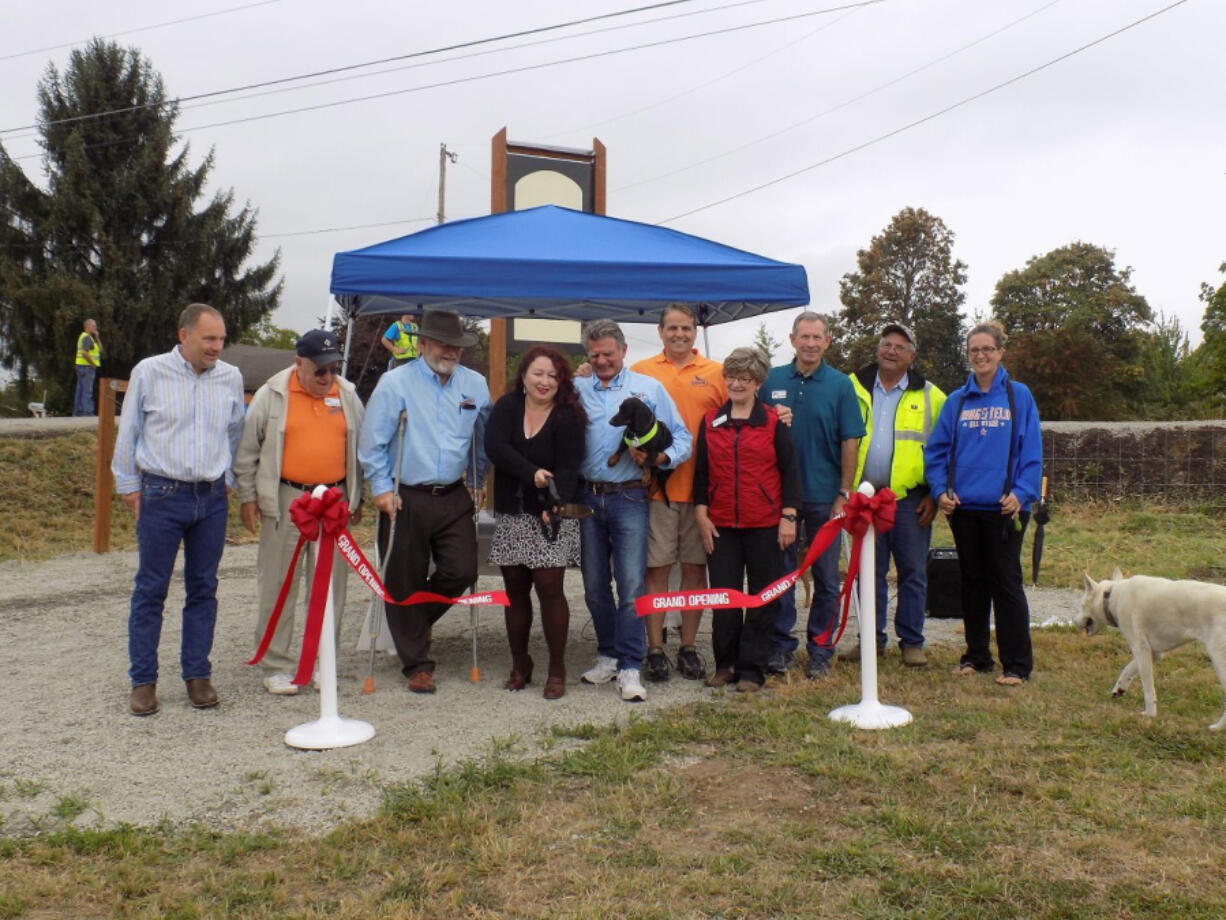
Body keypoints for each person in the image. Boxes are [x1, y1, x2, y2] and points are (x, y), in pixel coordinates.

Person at [112, 304, 245, 716]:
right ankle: (143, 681)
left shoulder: (231, 377)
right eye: (209, 339)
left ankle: (197, 674)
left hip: (211, 498)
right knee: (151, 588)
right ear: (183, 335)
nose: (217, 347)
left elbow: (236, 431)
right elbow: (129, 430)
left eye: (221, 339)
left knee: (204, 587)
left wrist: (230, 480)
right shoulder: (149, 372)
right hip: (162, 494)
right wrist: (129, 485)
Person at [358, 308, 490, 694]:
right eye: (444, 344)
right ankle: (416, 664)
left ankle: (412, 623)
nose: (451, 352)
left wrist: (479, 477)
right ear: (424, 344)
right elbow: (373, 443)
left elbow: (483, 435)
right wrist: (381, 489)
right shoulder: (394, 382)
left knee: (463, 569)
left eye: (457, 346)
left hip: (453, 493)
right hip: (405, 495)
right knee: (403, 578)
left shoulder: (475, 384)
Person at [233, 329, 365, 695]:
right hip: (287, 500)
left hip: (334, 501)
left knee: (331, 586)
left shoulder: (348, 395)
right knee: (278, 583)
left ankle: (326, 660)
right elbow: (247, 450)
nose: (326, 378)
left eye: (332, 370)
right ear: (299, 364)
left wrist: (358, 497)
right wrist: (247, 496)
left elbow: (360, 450)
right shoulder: (271, 394)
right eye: (318, 371)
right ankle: (277, 664)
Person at [575, 318, 691, 703]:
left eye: (609, 352)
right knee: (594, 587)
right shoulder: (575, 390)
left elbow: (684, 439)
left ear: (624, 350)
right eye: (595, 354)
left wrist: (659, 458)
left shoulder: (649, 388)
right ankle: (607, 654)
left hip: (630, 498)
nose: (603, 360)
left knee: (631, 586)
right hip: (588, 499)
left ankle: (630, 666)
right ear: (587, 356)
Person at [924, 321, 1042, 686]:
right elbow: (938, 450)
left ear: (1000, 352)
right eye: (974, 350)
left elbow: (1032, 452)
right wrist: (940, 490)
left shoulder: (1018, 396)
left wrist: (1021, 493)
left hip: (1005, 509)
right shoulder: (957, 401)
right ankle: (977, 656)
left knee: (1005, 583)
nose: (980, 355)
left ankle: (1017, 665)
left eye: (987, 349)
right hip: (964, 508)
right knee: (972, 583)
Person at [759, 312, 865, 680]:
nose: (810, 343)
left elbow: (850, 439)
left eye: (817, 337)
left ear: (827, 342)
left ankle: (821, 648)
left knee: (826, 577)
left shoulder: (840, 385)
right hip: (779, 498)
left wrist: (844, 492)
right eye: (804, 336)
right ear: (792, 339)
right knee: (782, 574)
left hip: (823, 496)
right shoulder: (770, 379)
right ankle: (780, 647)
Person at [693, 347, 802, 692]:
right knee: (723, 597)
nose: (737, 384)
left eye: (745, 378)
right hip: (721, 524)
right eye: (732, 376)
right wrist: (701, 514)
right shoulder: (710, 421)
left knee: (762, 597)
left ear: (757, 383)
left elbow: (790, 471)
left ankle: (752, 669)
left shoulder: (773, 421)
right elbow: (701, 473)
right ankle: (725, 663)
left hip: (765, 524)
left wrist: (788, 517)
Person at [630, 304, 727, 683]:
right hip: (656, 491)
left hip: (702, 490)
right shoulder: (640, 371)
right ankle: (654, 649)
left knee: (693, 570)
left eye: (686, 328)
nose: (680, 335)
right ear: (660, 331)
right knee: (655, 569)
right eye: (672, 328)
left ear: (695, 331)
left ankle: (687, 646)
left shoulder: (717, 374)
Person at [484, 345, 586, 700]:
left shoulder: (568, 416)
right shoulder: (506, 407)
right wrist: (532, 475)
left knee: (549, 588)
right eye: (538, 373)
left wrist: (555, 503)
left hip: (550, 515)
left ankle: (556, 668)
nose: (545, 381)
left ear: (562, 382)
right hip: (513, 514)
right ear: (524, 375)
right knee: (514, 590)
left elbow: (572, 466)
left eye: (553, 376)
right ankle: (520, 662)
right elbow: (495, 447)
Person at [846, 322, 946, 668]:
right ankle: (870, 642)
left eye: (899, 347)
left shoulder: (932, 396)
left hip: (908, 500)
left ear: (912, 355)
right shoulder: (851, 386)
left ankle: (912, 642)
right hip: (862, 499)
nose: (890, 350)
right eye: (886, 344)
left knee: (912, 572)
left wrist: (935, 493)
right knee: (866, 573)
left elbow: (944, 449)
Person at [73, 318, 102, 416]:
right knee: (87, 390)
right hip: (87, 367)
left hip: (81, 366)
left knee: (80, 390)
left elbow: (100, 350)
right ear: (87, 326)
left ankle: (78, 412)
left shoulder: (89, 338)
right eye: (93, 325)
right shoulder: (86, 337)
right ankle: (88, 412)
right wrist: (93, 364)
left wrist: (97, 337)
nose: (95, 327)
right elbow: (84, 352)